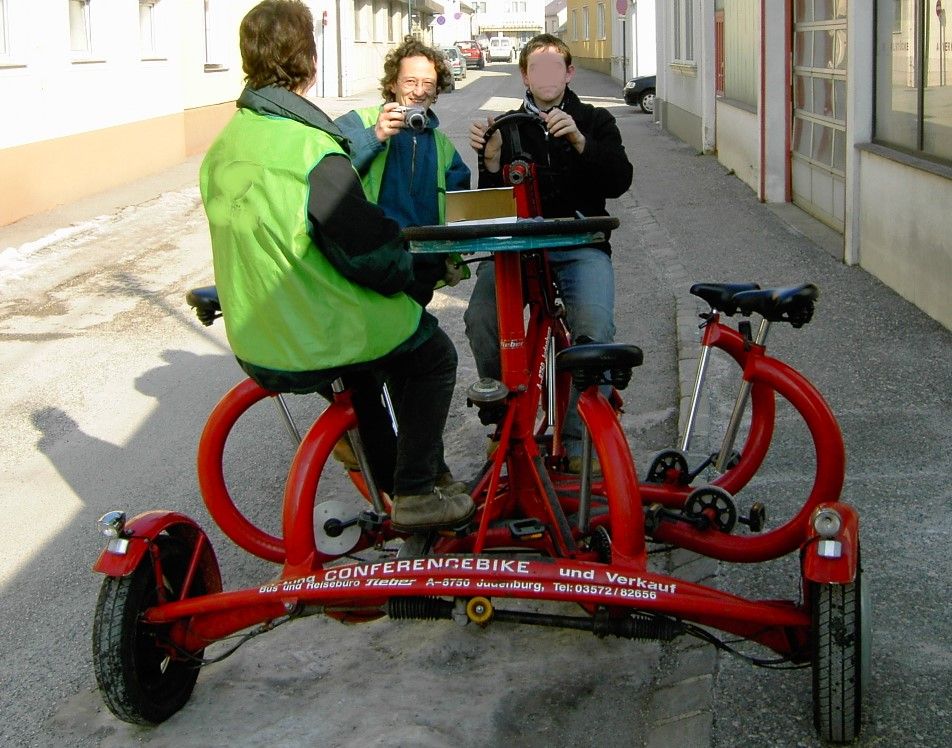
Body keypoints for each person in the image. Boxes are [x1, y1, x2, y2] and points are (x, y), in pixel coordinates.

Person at [199, 0, 474, 531]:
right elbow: (369, 253)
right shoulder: (310, 147)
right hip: (313, 331)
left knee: (371, 373)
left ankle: (406, 478)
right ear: (309, 60)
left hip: (258, 336)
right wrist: (406, 273)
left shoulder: (228, 144)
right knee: (431, 352)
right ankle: (414, 491)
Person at [466, 33, 633, 473]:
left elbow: (618, 181)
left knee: (595, 326)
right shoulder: (507, 125)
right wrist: (489, 163)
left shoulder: (596, 119)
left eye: (554, 67)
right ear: (524, 75)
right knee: (480, 318)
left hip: (579, 242)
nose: (545, 77)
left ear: (569, 73)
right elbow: (490, 205)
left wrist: (580, 141)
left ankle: (580, 435)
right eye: (536, 69)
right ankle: (503, 423)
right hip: (518, 249)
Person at [335, 37, 471, 492]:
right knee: (387, 366)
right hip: (372, 265)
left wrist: (449, 259)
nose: (416, 92)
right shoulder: (360, 125)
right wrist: (374, 137)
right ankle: (408, 469)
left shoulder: (442, 144)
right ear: (392, 83)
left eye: (427, 85)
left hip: (418, 270)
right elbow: (324, 177)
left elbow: (458, 203)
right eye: (409, 81)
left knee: (408, 371)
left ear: (437, 91)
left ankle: (417, 467)